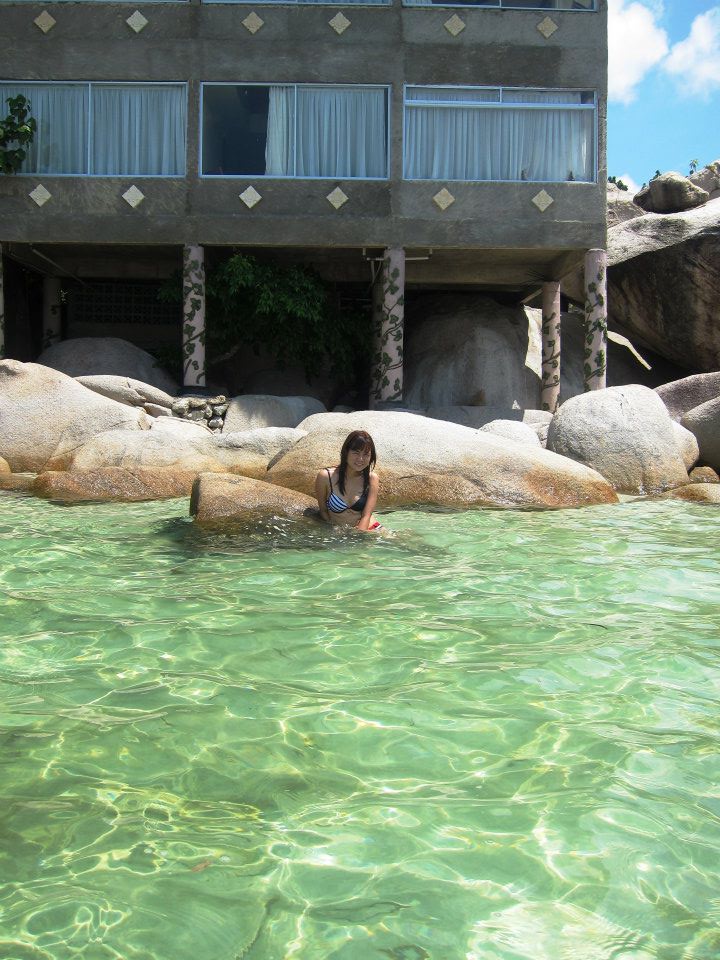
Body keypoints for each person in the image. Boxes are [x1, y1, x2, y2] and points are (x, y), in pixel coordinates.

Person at [315, 430, 384, 533]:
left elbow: (366, 515)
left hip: (370, 528)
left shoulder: (372, 478)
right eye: (356, 452)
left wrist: (357, 535)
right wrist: (332, 529)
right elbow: (323, 511)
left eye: (366, 454)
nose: (360, 459)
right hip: (339, 530)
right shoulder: (326, 477)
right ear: (346, 452)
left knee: (399, 540)